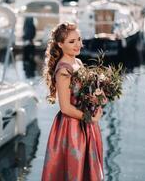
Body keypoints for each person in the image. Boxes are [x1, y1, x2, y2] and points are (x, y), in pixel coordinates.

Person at [42, 22, 104, 181]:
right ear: (60, 44)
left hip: (86, 124)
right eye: (71, 41)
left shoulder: (77, 62)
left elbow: (84, 94)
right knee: (73, 173)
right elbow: (65, 108)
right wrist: (90, 118)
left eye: (79, 39)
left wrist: (97, 101)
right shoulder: (63, 70)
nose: (78, 45)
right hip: (71, 128)